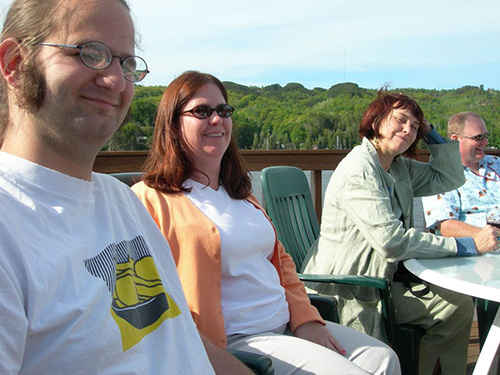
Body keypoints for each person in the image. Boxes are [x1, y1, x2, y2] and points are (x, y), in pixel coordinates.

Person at [0, 1, 250, 374]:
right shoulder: (10, 224)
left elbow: (176, 335)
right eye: (90, 53)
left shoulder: (122, 201)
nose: (116, 81)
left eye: (126, 63)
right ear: (14, 64)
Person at [132, 70, 401, 375]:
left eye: (223, 110)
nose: (217, 119)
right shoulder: (150, 199)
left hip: (286, 324)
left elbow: (281, 263)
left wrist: (306, 319)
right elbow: (145, 290)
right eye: (202, 111)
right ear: (174, 125)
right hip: (238, 340)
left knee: (382, 358)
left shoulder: (241, 195)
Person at [302, 93, 500, 375]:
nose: (408, 129)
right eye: (400, 120)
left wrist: (431, 134)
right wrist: (467, 245)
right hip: (350, 289)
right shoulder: (360, 169)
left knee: (457, 306)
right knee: (454, 308)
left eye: (415, 126)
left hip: (383, 278)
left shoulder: (397, 166)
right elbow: (392, 242)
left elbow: (450, 178)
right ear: (376, 119)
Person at [422, 111, 500, 348]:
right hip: (473, 260)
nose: (485, 142)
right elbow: (445, 226)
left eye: (486, 136)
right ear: (456, 139)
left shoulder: (495, 165)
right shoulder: (441, 175)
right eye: (478, 137)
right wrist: (484, 234)